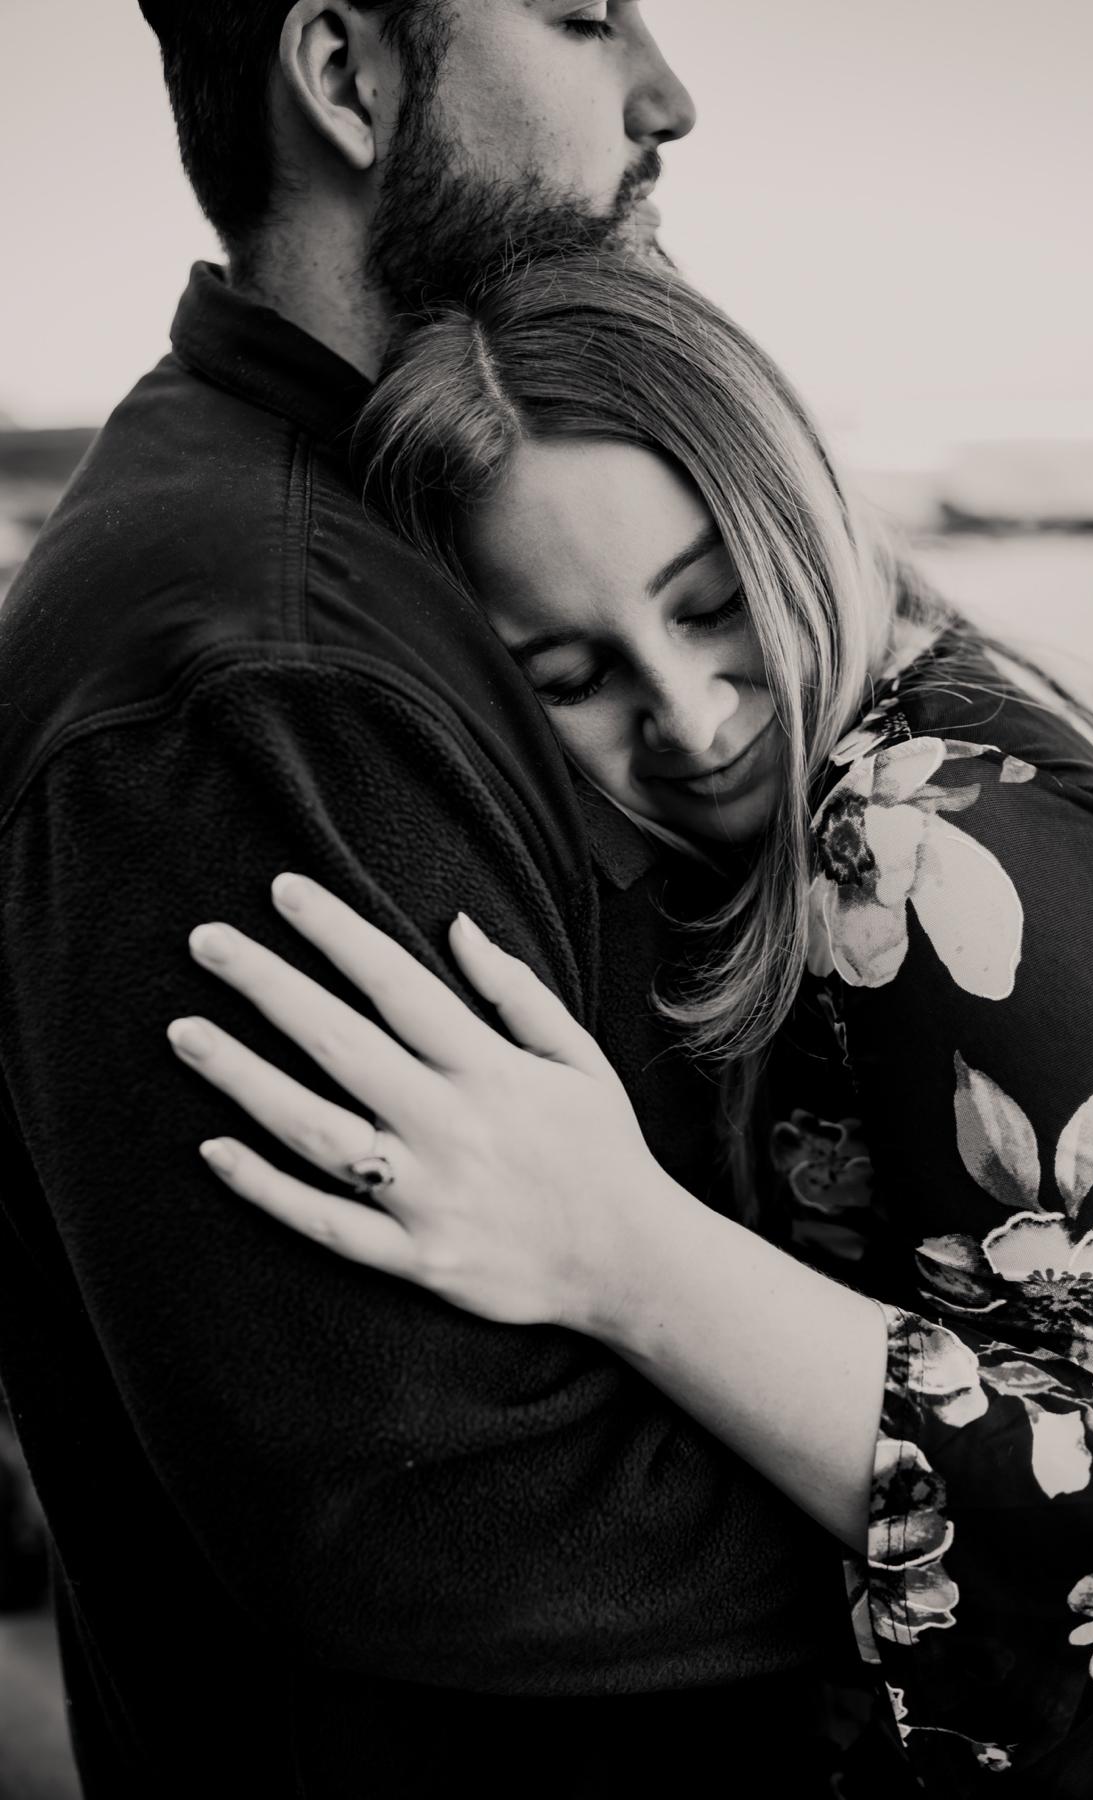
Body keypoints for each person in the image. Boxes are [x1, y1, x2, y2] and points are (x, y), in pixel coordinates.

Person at [0, 6, 914, 1798]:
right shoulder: (270, 678)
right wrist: (1040, 1528)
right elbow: (442, 1506)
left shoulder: (371, 533)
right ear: (345, 78)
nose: (665, 96)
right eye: (579, 15)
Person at [167, 257, 1093, 1798]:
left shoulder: (920, 834)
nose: (694, 720)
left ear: (795, 502)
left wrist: (621, 1251)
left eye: (712, 604)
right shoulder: (939, 718)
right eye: (567, 676)